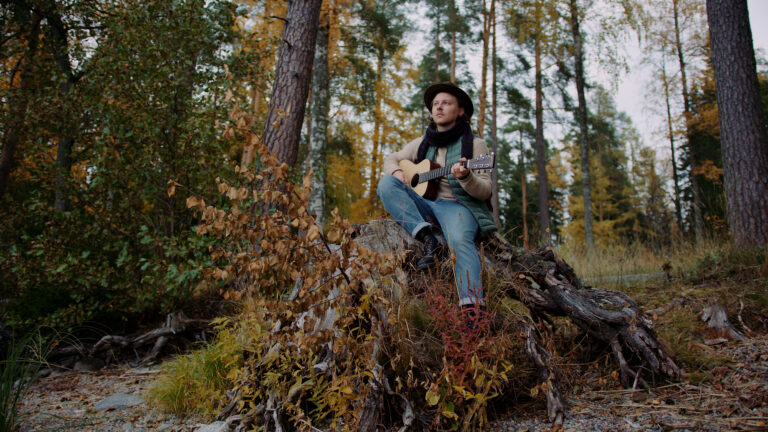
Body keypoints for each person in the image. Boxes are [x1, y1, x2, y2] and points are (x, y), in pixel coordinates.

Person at [377, 82, 497, 312]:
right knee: (386, 184)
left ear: (460, 110)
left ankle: (472, 309)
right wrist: (397, 172)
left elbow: (485, 191)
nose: (438, 108)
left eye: (446, 103)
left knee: (460, 241)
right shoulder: (423, 142)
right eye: (435, 104)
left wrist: (466, 177)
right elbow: (391, 158)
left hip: (457, 205)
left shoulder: (476, 145)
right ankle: (427, 236)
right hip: (426, 204)